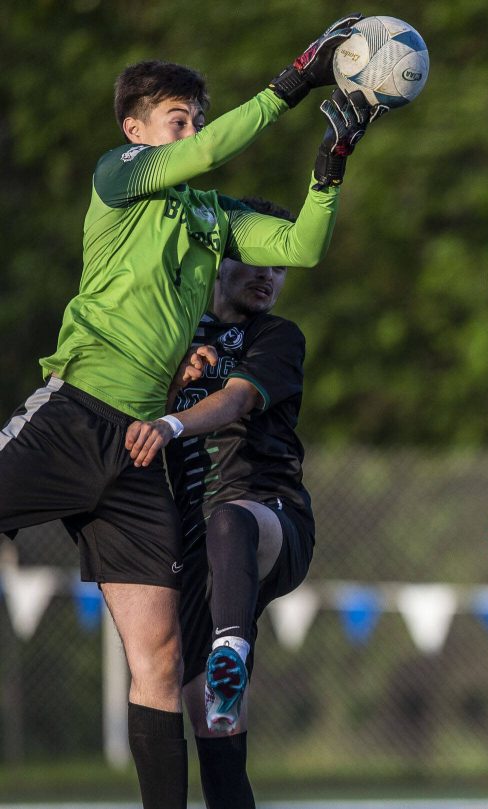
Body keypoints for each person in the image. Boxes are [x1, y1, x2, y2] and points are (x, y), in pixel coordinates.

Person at [0, 16, 381, 809]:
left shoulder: (211, 219)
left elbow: (302, 247)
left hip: (139, 451)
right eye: (180, 120)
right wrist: (292, 81)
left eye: (197, 120)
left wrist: (330, 165)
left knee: (163, 657)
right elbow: (205, 157)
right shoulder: (120, 176)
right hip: (77, 414)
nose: (194, 135)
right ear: (136, 130)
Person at [125, 197, 314, 809]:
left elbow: (233, 402)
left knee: (231, 520)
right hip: (188, 542)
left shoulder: (278, 337)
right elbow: (119, 408)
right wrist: (170, 381)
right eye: (252, 258)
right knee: (217, 735)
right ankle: (222, 679)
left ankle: (232, 647)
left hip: (269, 519)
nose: (267, 275)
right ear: (216, 260)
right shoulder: (171, 333)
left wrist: (177, 422)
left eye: (279, 265)